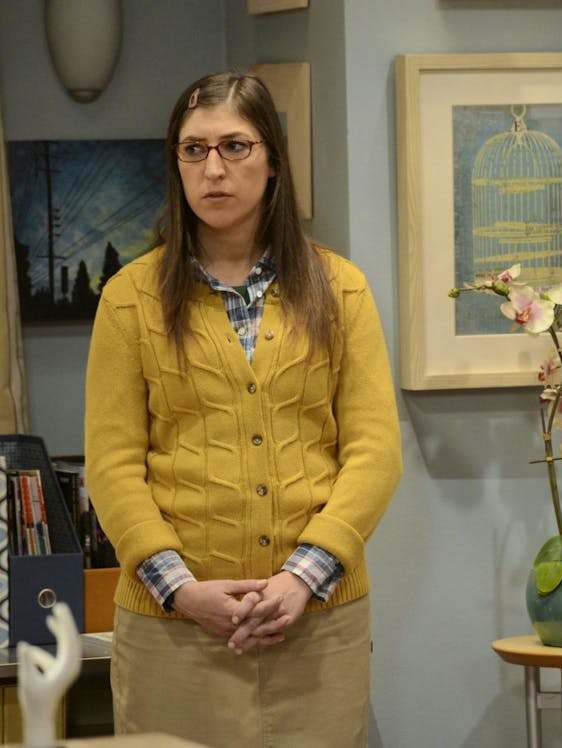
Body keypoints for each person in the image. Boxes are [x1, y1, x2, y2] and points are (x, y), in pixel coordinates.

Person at [84, 72, 402, 748]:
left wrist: (301, 578)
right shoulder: (129, 298)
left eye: (234, 146)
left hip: (315, 625)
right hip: (174, 633)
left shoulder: (340, 289)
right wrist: (181, 589)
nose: (214, 169)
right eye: (193, 150)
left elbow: (375, 453)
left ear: (273, 160)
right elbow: (112, 465)